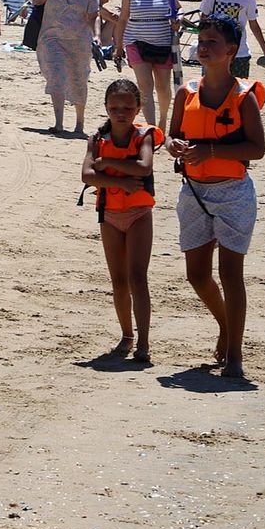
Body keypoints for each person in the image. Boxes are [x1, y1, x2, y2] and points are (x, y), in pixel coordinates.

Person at [166, 16, 265, 382]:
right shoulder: (185, 92)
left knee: (230, 273)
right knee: (196, 274)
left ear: (231, 52)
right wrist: (174, 145)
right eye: (201, 40)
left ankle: (235, 354)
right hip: (193, 192)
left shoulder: (243, 97)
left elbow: (257, 149)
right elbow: (172, 136)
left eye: (212, 42)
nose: (203, 46)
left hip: (232, 193)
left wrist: (211, 151)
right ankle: (226, 326)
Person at [80, 78, 156, 363]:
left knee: (138, 278)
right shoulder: (97, 138)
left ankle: (144, 342)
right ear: (106, 108)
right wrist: (124, 182)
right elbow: (87, 176)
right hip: (109, 215)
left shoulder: (144, 135)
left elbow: (145, 166)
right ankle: (127, 335)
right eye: (114, 108)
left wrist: (109, 165)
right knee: (119, 281)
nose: (120, 113)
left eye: (127, 107)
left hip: (138, 215)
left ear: (138, 108)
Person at [32, 0, 100, 135]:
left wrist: (96, 37)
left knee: (79, 80)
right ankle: (59, 122)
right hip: (51, 38)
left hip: (79, 42)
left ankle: (79, 123)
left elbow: (93, 16)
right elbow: (35, 2)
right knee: (56, 76)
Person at [113, 0, 179, 132]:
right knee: (145, 86)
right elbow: (123, 18)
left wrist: (178, 20)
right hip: (136, 41)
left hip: (162, 42)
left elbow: (177, 10)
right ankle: (152, 129)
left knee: (164, 88)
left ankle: (163, 121)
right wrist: (119, 47)